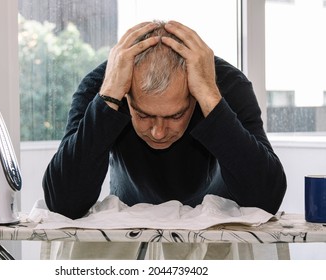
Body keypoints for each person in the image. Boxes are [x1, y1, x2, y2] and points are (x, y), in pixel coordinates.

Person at [42, 20, 287, 220]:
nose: (158, 132)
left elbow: (266, 200)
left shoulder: (227, 85)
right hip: (129, 228)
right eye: (143, 114)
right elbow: (63, 203)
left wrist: (211, 98)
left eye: (176, 115)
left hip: (216, 232)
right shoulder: (103, 87)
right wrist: (108, 98)